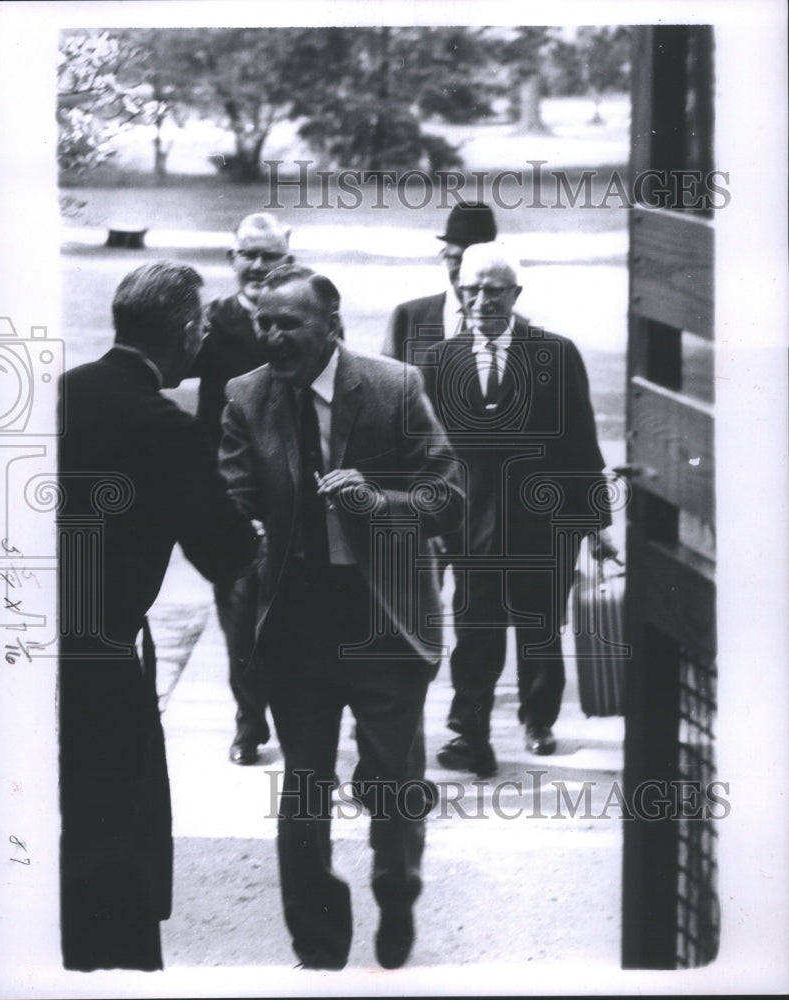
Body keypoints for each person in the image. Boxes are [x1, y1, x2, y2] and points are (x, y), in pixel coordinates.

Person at [219, 264, 464, 970]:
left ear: (332, 326)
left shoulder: (394, 387)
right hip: (294, 623)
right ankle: (318, 941)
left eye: (287, 324)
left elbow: (446, 497)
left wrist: (378, 504)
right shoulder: (247, 396)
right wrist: (242, 534)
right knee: (304, 789)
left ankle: (395, 890)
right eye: (263, 323)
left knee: (391, 780)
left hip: (383, 617)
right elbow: (232, 494)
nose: (272, 337)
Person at [57, 262, 259, 971]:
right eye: (201, 326)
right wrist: (254, 534)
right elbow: (226, 551)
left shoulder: (60, 395)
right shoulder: (163, 427)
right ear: (181, 332)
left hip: (36, 647)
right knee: (119, 838)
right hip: (105, 659)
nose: (204, 338)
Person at [426, 243, 615, 775]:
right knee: (475, 633)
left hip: (545, 528)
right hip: (473, 530)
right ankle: (470, 731)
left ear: (515, 294)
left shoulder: (555, 354)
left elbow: (582, 442)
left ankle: (539, 719)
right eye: (473, 289)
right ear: (460, 293)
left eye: (494, 290)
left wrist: (597, 526)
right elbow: (428, 452)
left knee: (539, 631)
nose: (483, 300)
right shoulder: (439, 362)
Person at [191, 212, 294, 765]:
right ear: (232, 258)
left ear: (288, 255)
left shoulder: (311, 313)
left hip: (296, 492)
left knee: (298, 611)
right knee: (238, 611)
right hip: (229, 493)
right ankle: (249, 723)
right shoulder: (211, 323)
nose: (257, 266)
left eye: (268, 254)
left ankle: (306, 715)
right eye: (247, 255)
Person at [381, 201, 498, 389]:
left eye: (474, 261)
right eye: (457, 259)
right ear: (444, 255)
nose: (465, 271)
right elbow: (386, 394)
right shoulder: (407, 318)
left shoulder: (514, 326)